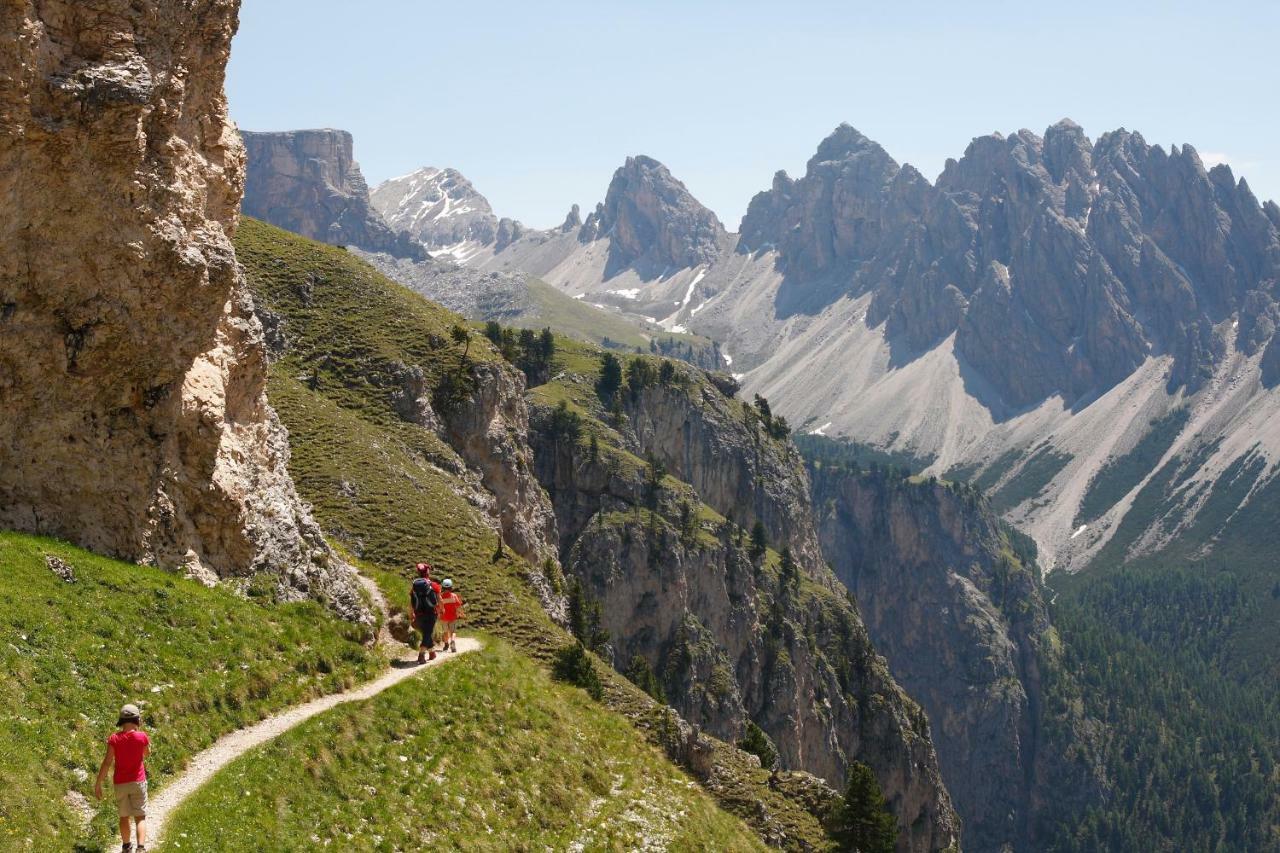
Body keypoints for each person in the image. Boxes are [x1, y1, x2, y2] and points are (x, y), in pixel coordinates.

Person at [94, 703, 150, 853]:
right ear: (137, 719)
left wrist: (98, 783)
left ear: (121, 720)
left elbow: (107, 762)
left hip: (120, 783)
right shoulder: (142, 737)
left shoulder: (114, 739)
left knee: (124, 816)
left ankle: (126, 847)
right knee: (140, 816)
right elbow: (146, 754)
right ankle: (141, 848)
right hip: (138, 781)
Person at [410, 563, 440, 664]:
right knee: (427, 633)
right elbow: (439, 599)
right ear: (428, 571)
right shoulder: (434, 585)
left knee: (426, 632)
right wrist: (441, 609)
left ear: (418, 572)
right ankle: (421, 655)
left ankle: (432, 652)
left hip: (419, 613)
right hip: (431, 613)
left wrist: (412, 613)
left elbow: (411, 601)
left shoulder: (415, 585)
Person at [437, 578, 464, 653]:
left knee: (445, 632)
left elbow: (438, 607)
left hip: (444, 618)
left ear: (443, 587)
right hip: (453, 617)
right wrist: (461, 613)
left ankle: (446, 644)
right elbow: (458, 606)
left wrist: (438, 615)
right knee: (453, 632)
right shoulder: (454, 596)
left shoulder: (440, 597)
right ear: (451, 587)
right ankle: (452, 641)